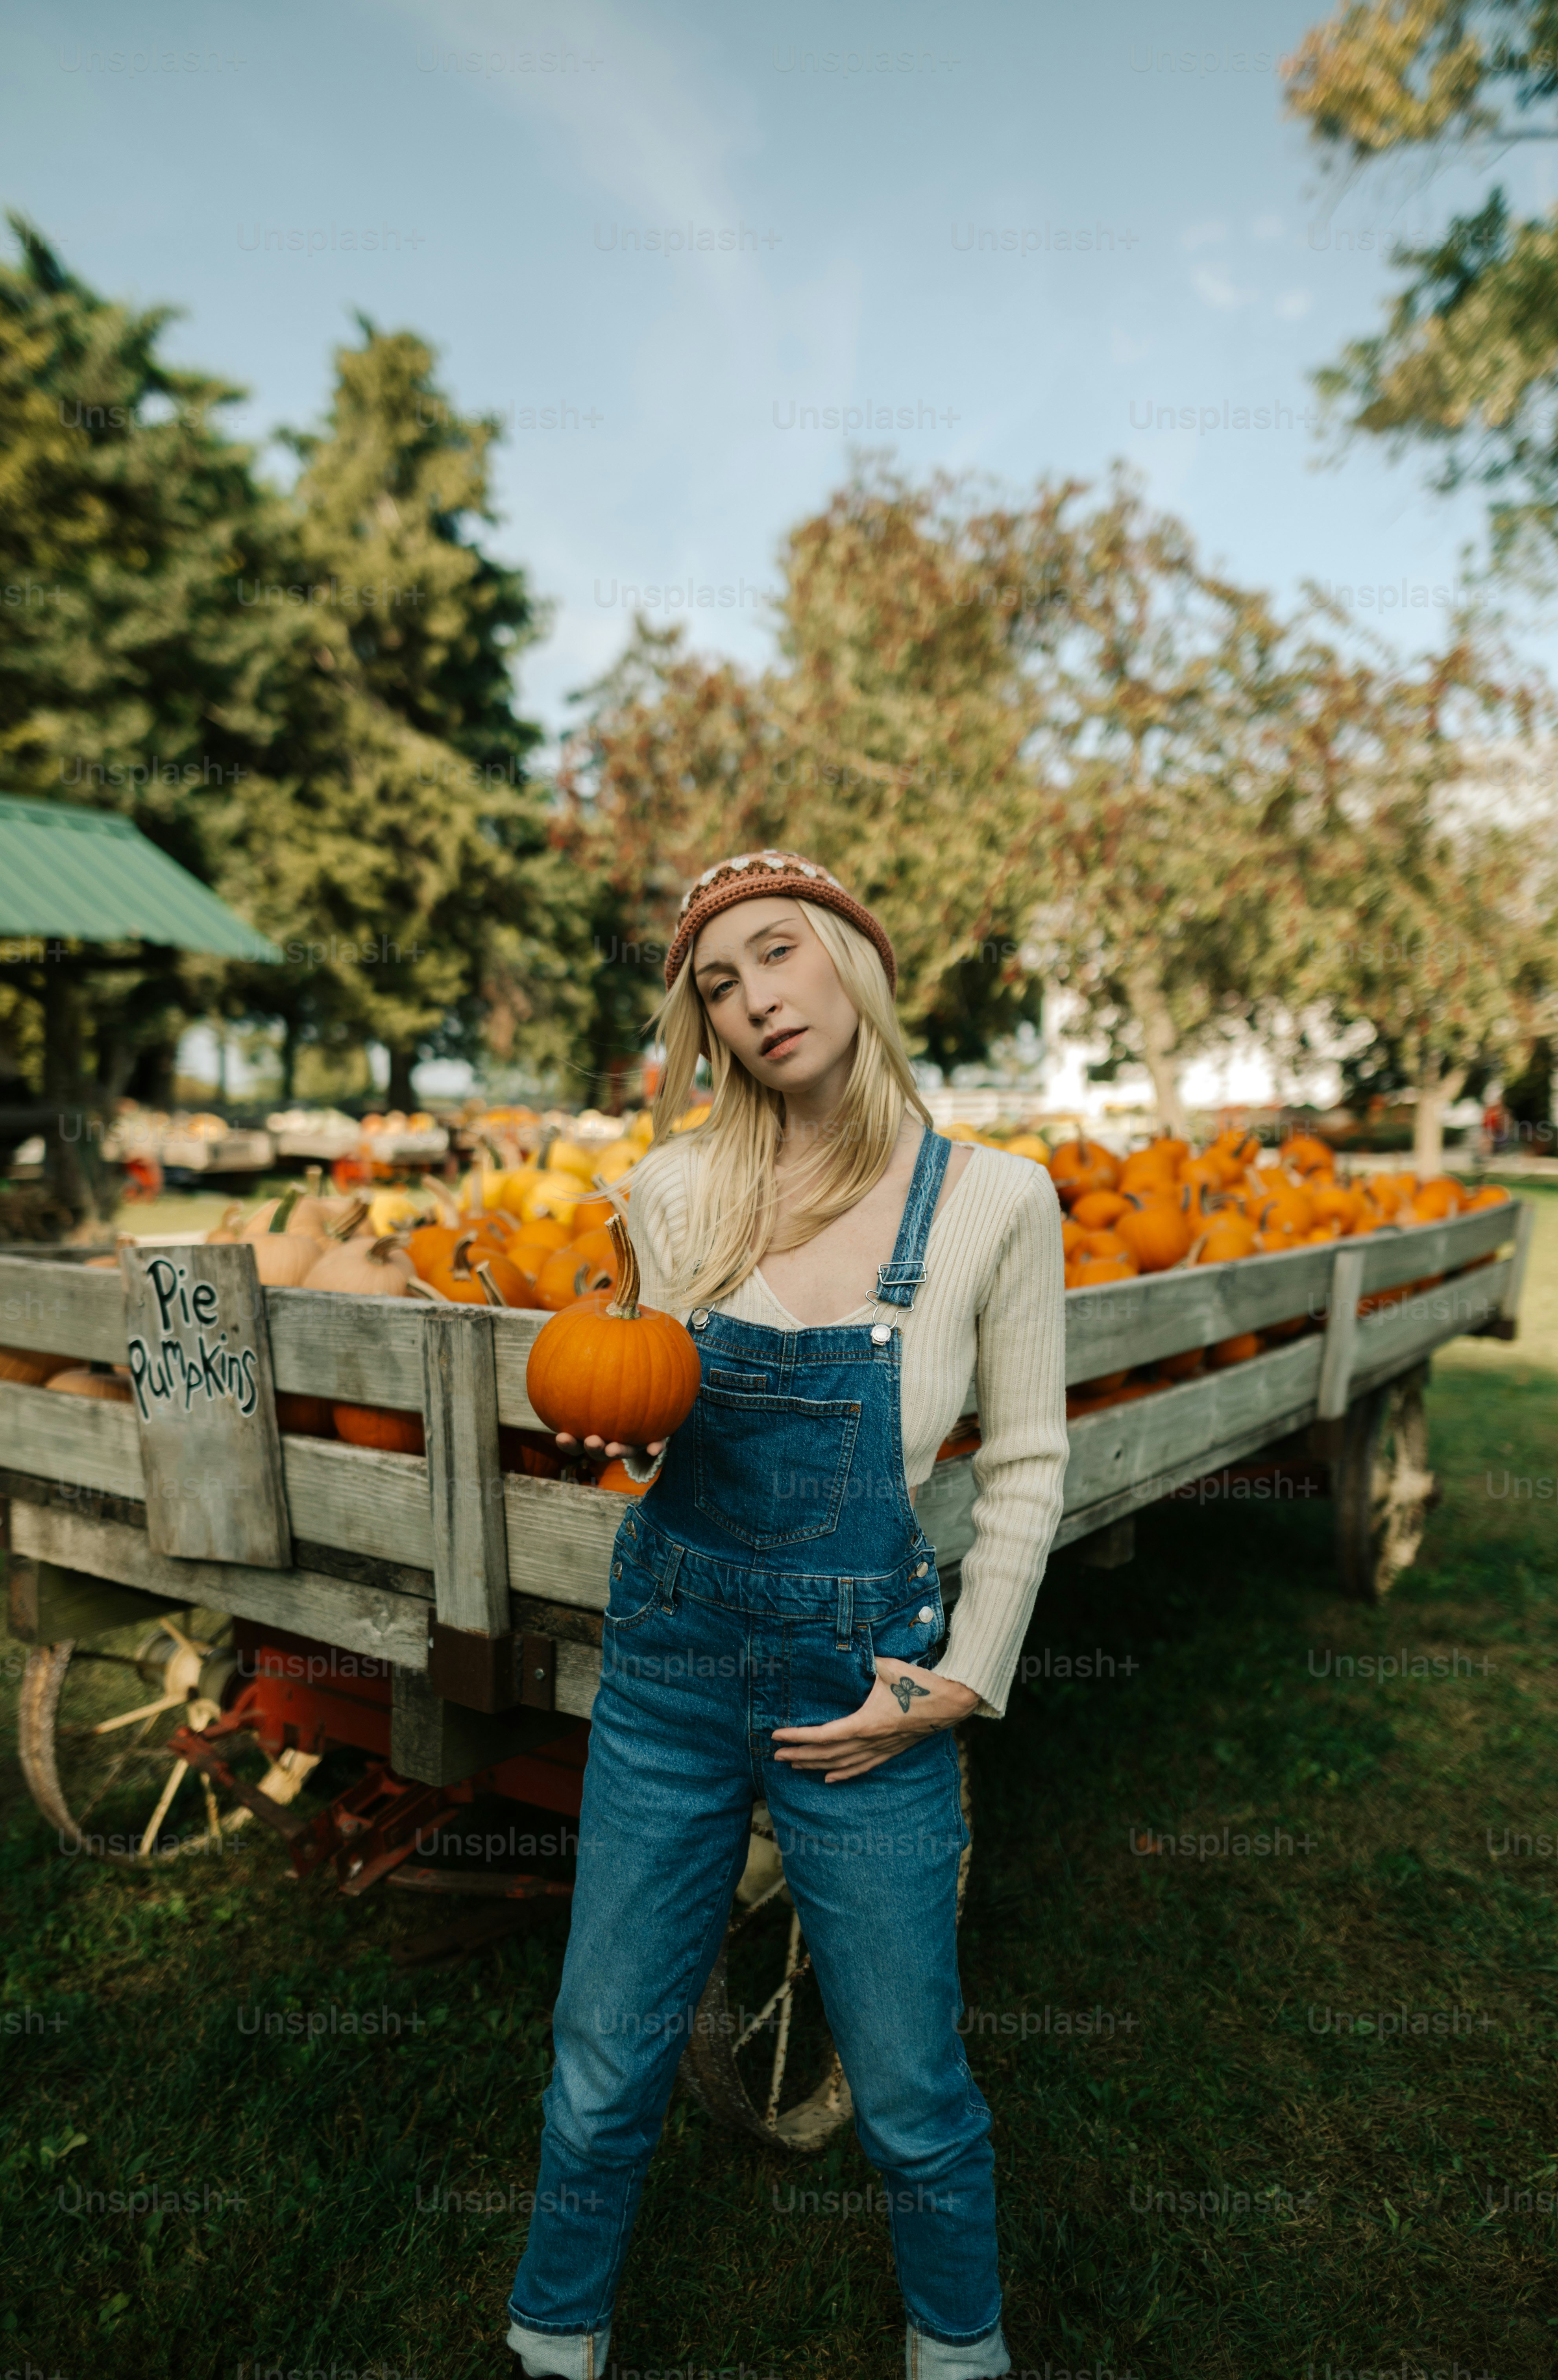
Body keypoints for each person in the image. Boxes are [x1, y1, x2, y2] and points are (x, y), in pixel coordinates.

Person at [506, 850, 1068, 2379]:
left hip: (873, 1700)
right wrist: (610, 1436)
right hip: (671, 1682)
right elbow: (645, 1413)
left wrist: (965, 1681)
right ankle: (552, 2338)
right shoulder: (673, 1190)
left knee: (908, 2084)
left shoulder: (999, 1204)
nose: (755, 1001)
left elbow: (1027, 1461)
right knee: (603, 2059)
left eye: (776, 955)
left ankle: (959, 2351)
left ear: (848, 961)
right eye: (718, 982)